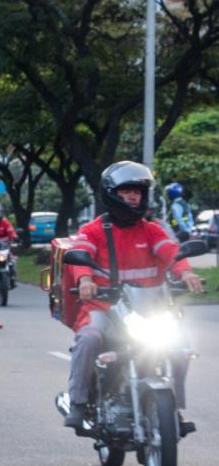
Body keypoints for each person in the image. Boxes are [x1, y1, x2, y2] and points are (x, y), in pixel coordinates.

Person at [64, 161, 203, 433]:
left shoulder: (151, 230)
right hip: (104, 304)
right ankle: (78, 403)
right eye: (126, 191)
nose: (133, 196)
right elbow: (81, 255)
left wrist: (186, 273)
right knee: (89, 338)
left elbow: (171, 253)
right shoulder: (93, 230)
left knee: (179, 346)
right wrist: (85, 279)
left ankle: (173, 410)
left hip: (148, 308)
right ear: (111, 194)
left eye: (137, 192)